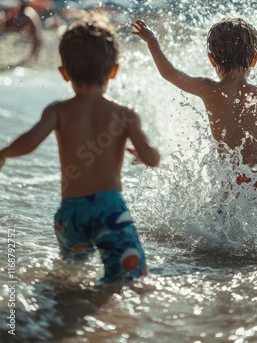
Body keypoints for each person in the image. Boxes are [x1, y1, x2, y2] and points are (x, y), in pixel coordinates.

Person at [0, 16, 160, 283]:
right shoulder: (125, 115)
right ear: (114, 70)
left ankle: (59, 311)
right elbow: (152, 159)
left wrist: (3, 153)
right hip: (109, 210)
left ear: (64, 72)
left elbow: (29, 142)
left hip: (70, 214)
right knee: (129, 277)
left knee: (70, 276)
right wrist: (146, 154)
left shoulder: (58, 111)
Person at [131, 17, 257, 192]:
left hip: (234, 177)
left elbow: (169, 73)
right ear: (255, 58)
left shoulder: (208, 89)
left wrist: (151, 40)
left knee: (225, 224)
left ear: (211, 59)